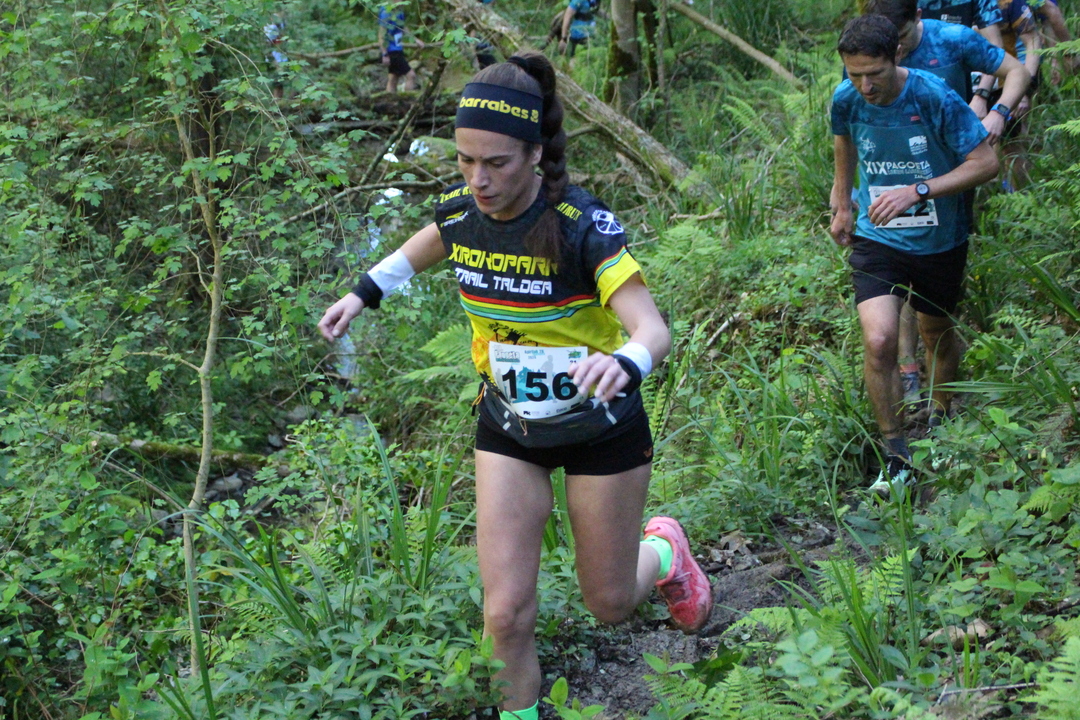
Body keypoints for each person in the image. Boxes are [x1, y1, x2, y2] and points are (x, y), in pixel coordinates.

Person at [318, 53, 712, 720]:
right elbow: (423, 245)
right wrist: (362, 293)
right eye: (466, 161)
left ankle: (664, 550)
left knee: (610, 603)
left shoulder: (582, 227)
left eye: (496, 163)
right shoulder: (463, 214)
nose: (479, 179)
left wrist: (626, 362)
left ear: (535, 154)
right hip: (510, 427)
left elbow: (653, 329)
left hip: (600, 428)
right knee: (503, 615)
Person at [829, 15, 999, 492]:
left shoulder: (933, 96)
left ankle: (941, 425)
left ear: (897, 56)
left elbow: (986, 163)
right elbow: (844, 138)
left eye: (874, 74)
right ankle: (897, 456)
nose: (864, 86)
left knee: (935, 333)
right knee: (880, 339)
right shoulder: (845, 97)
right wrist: (842, 202)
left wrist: (918, 190)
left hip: (939, 239)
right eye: (855, 74)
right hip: (878, 236)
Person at [865, 0, 1030, 415]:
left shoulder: (953, 40)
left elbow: (1017, 70)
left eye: (902, 40)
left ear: (918, 19)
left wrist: (998, 111)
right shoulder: (870, 53)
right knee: (895, 270)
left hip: (949, 176)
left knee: (932, 276)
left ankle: (939, 376)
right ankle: (907, 368)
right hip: (891, 172)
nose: (896, 52)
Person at [378, 4, 424, 92]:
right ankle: (409, 97)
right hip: (391, 50)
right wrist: (384, 54)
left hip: (398, 48)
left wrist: (415, 39)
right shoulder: (385, 12)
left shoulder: (400, 11)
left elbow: (402, 27)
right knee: (411, 75)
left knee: (393, 77)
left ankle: (390, 98)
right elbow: (381, 34)